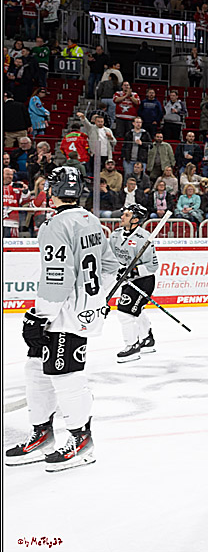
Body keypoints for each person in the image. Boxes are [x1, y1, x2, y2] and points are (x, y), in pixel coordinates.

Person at [3, 167, 119, 470]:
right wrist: (96, 299)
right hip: (79, 310)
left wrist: (40, 316)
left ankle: (82, 441)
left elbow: (57, 277)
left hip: (63, 315)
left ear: (52, 192)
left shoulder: (54, 226)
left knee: (65, 376)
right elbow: (110, 266)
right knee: (36, 369)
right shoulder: (91, 220)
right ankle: (42, 433)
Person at [108, 204, 159, 363]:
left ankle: (132, 346)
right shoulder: (115, 235)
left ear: (136, 220)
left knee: (124, 312)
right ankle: (147, 339)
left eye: (127, 215)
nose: (122, 217)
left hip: (143, 281)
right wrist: (117, 269)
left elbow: (152, 266)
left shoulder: (144, 238)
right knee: (134, 310)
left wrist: (132, 272)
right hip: (127, 281)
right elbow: (111, 257)